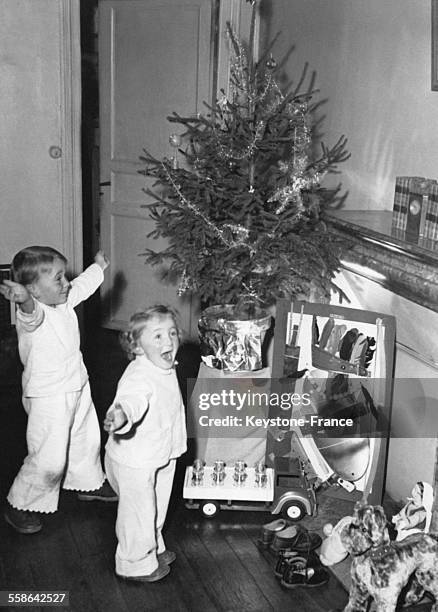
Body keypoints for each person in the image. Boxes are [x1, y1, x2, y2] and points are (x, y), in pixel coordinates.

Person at [0, 246, 117, 535]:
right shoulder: (34, 316)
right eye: (58, 279)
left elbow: (82, 286)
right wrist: (24, 300)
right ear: (34, 291)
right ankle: (20, 503)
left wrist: (98, 266)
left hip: (77, 383)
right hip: (48, 396)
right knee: (49, 455)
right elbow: (29, 312)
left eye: (63, 277)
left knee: (85, 438)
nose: (66, 283)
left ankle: (88, 481)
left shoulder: (63, 301)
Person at [104, 305, 187, 582]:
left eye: (172, 333)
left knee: (157, 504)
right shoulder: (140, 374)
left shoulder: (164, 364)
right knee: (138, 511)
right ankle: (134, 562)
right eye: (158, 336)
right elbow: (133, 398)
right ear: (137, 347)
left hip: (160, 451)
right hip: (134, 458)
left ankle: (152, 546)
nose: (169, 341)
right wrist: (122, 414)